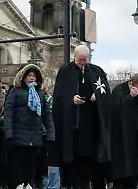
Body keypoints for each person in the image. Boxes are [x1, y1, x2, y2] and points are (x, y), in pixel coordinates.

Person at [49, 45, 111, 189]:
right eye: (80, 60)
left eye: (85, 59)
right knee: (75, 164)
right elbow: (59, 96)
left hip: (92, 127)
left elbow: (106, 92)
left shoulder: (96, 71)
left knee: (94, 162)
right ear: (74, 57)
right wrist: (72, 99)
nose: (83, 62)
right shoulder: (65, 71)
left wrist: (98, 96)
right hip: (74, 128)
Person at [4, 64, 54, 189]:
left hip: (35, 137)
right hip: (19, 137)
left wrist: (51, 134)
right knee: (19, 167)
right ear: (23, 77)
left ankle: (30, 185)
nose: (32, 78)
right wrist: (9, 135)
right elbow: (8, 114)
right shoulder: (15, 92)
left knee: (32, 167)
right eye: (29, 75)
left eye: (34, 76)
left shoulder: (40, 94)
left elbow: (47, 116)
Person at [108, 73, 138, 188]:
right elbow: (118, 111)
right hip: (121, 139)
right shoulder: (118, 90)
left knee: (135, 174)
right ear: (131, 84)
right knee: (122, 176)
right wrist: (130, 97)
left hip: (135, 139)